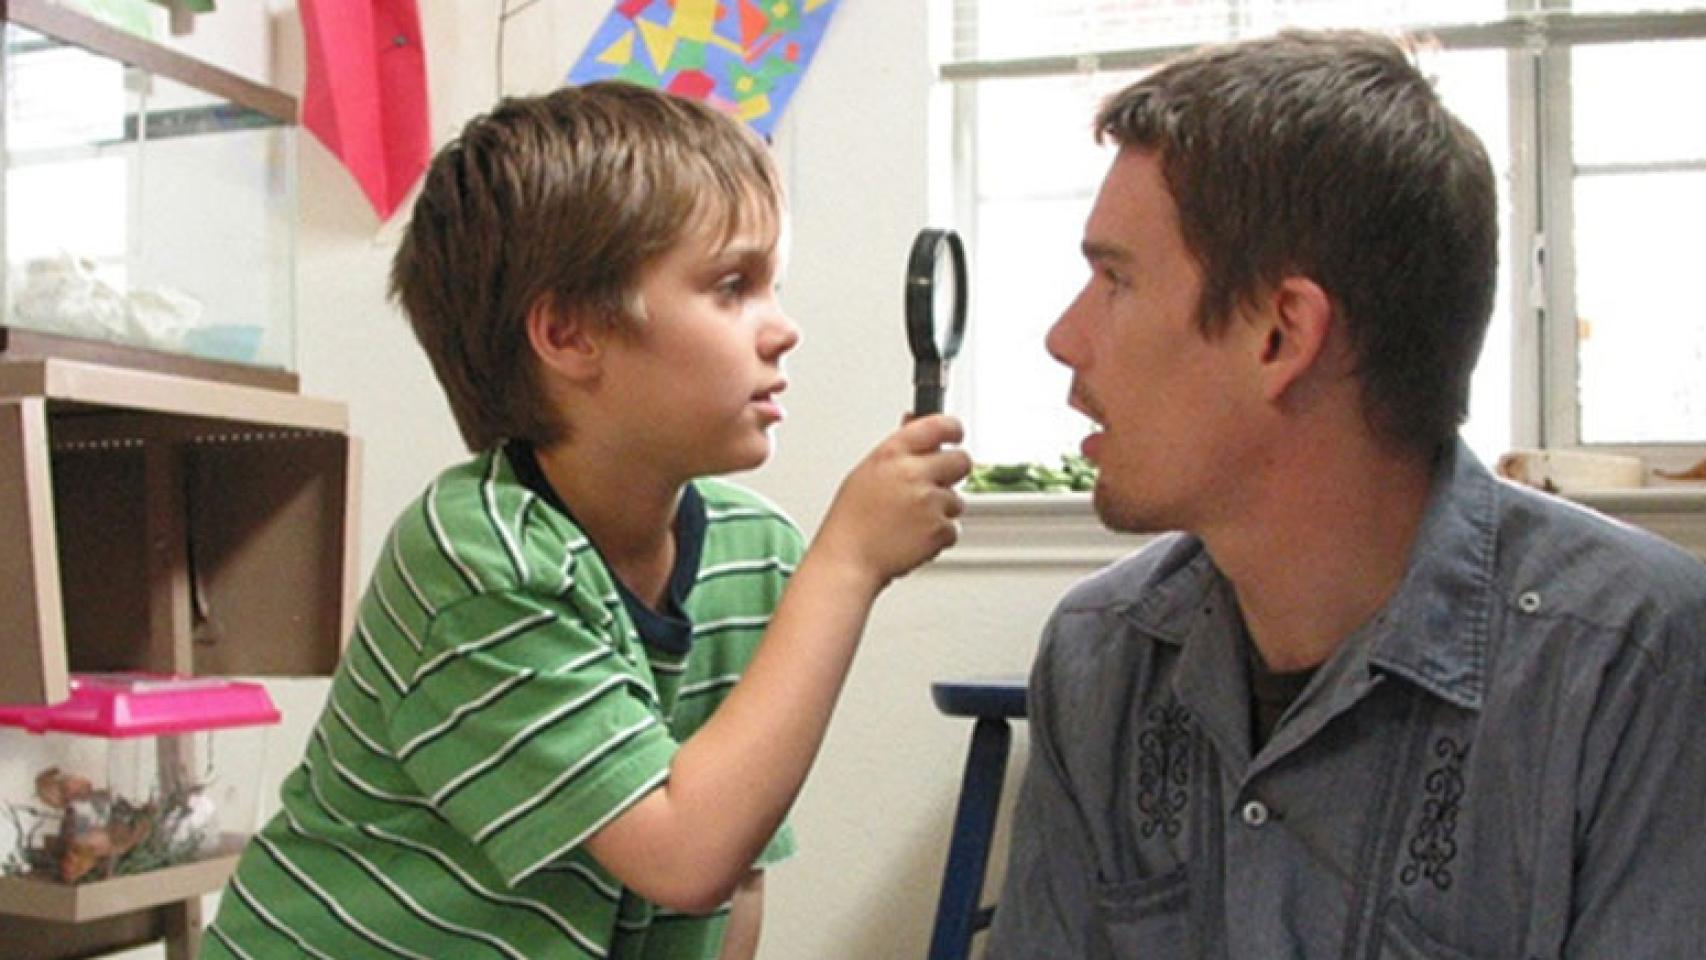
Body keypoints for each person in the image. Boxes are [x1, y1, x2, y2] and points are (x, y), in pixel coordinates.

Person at [201, 81, 970, 960]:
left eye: (773, 284)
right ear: (569, 335)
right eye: (732, 286)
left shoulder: (759, 557)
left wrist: (828, 566)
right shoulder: (476, 555)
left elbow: (732, 877)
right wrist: (848, 567)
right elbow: (683, 852)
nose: (782, 329)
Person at [987, 29, 1706, 959]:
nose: (1063, 336)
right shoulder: (1103, 657)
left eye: (1115, 279)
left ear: (1283, 336)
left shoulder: (1628, 666)